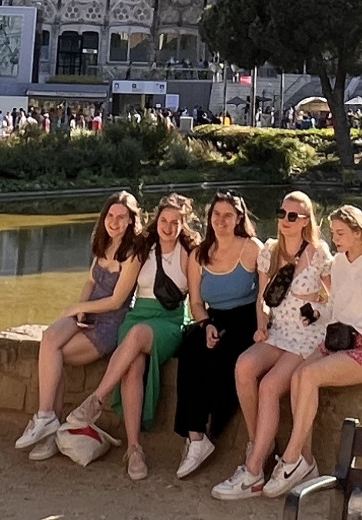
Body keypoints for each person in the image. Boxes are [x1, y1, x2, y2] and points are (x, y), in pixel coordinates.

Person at [57, 195, 198, 480]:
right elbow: (113, 287)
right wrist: (82, 307)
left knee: (136, 335)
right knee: (132, 367)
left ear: (183, 225)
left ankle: (96, 400)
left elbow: (195, 301)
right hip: (137, 315)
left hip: (168, 322)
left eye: (175, 223)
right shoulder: (142, 249)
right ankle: (134, 449)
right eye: (163, 221)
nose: (168, 228)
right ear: (156, 221)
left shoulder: (190, 253)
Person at [264, 204, 362, 499]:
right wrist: (317, 310)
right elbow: (337, 309)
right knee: (299, 376)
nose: (335, 239)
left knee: (309, 376)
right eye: (333, 232)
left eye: (341, 233)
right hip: (338, 339)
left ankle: (290, 459)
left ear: (359, 233)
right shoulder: (339, 262)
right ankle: (307, 463)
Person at [212, 191, 330, 501]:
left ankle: (252, 472)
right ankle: (259, 446)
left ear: (306, 222)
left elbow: (335, 299)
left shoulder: (318, 253)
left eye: (293, 215)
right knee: (244, 366)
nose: (285, 220)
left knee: (270, 386)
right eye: (282, 213)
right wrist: (262, 325)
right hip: (278, 333)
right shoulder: (270, 252)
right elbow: (263, 301)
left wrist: (318, 303)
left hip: (307, 337)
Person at [14, 193, 144, 460]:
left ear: (131, 220)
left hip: (109, 321)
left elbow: (117, 300)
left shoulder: (133, 254)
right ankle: (46, 418)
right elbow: (90, 282)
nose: (114, 222)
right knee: (50, 338)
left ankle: (50, 432)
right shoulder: (101, 243)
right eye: (110, 216)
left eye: (121, 217)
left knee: (57, 356)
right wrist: (80, 309)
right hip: (88, 311)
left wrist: (75, 309)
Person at [173, 194, 262, 479]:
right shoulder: (199, 254)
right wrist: (206, 324)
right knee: (189, 348)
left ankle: (213, 428)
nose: (221, 220)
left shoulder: (252, 249)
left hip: (248, 319)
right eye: (216, 214)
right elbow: (196, 303)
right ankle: (196, 438)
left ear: (239, 218)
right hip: (214, 318)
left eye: (228, 215)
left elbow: (266, 297)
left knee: (223, 358)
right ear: (209, 218)